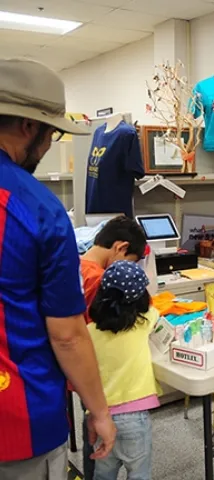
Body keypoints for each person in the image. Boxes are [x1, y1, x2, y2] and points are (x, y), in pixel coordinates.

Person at [0, 57, 116, 479]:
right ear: (30, 127)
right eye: (52, 134)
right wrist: (99, 410)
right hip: (17, 413)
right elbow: (67, 334)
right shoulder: (36, 208)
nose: (49, 145)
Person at [80, 215, 147, 480]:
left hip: (84, 373)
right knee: (99, 440)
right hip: (103, 379)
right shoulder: (100, 281)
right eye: (130, 262)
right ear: (120, 247)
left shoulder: (80, 264)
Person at [88, 261, 160, 480]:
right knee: (139, 474)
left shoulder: (88, 332)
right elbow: (154, 310)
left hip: (101, 415)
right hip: (135, 418)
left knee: (103, 474)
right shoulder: (144, 322)